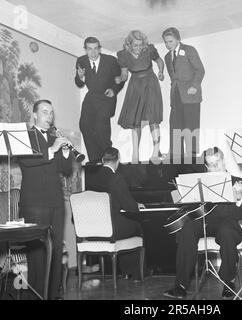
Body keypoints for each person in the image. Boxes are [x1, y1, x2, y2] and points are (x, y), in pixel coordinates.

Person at [164, 147, 242, 299]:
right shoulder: (199, 182)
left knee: (227, 232)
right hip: (205, 221)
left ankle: (229, 282)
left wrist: (239, 195)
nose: (215, 167)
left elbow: (240, 215)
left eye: (218, 163)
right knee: (186, 229)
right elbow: (190, 207)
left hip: (227, 223)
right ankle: (181, 285)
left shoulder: (237, 182)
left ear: (223, 160)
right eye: (211, 164)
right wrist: (180, 195)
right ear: (206, 167)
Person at [19, 100, 73, 299]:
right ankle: (37, 296)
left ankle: (53, 295)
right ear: (34, 115)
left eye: (51, 112)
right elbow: (27, 161)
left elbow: (65, 169)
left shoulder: (53, 138)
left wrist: (65, 151)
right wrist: (53, 149)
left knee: (56, 250)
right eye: (44, 112)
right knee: (38, 255)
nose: (49, 116)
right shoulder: (25, 136)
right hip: (34, 203)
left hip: (56, 203)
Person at [89, 147, 144, 279]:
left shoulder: (91, 179)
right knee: (137, 227)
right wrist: (137, 205)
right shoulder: (116, 177)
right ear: (118, 160)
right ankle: (135, 273)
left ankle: (125, 271)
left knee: (124, 225)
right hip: (111, 228)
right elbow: (129, 206)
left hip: (92, 228)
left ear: (103, 160)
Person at [116, 30, 164, 162]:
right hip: (135, 86)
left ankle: (155, 152)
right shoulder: (123, 55)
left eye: (140, 45)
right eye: (135, 45)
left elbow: (160, 61)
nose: (138, 48)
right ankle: (135, 154)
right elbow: (125, 74)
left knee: (153, 118)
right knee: (135, 121)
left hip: (150, 83)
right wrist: (120, 79)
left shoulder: (149, 50)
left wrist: (160, 71)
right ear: (129, 44)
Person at [75, 37, 124, 163]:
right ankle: (95, 160)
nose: (93, 52)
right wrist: (80, 77)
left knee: (101, 130)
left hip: (105, 98)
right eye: (90, 49)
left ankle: (109, 160)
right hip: (91, 97)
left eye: (96, 48)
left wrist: (114, 89)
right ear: (85, 49)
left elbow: (119, 79)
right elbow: (79, 83)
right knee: (84, 125)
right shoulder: (81, 61)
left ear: (100, 48)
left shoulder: (110, 61)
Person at [162, 27, 205, 159]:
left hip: (190, 95)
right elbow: (173, 77)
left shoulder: (189, 50)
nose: (168, 45)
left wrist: (195, 85)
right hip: (176, 95)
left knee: (191, 125)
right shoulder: (167, 57)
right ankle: (176, 154)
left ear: (178, 39)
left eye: (170, 41)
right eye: (165, 42)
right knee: (175, 124)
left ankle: (191, 156)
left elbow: (200, 70)